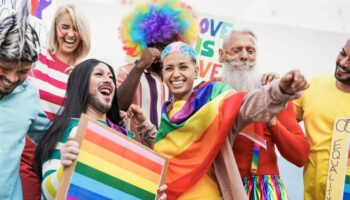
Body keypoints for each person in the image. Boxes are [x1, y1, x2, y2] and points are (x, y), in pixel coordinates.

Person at [152, 41, 309, 199]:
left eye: (183, 67)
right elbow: (172, 151)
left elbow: (248, 106)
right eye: (169, 68)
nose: (176, 74)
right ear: (163, 73)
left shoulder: (213, 100)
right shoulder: (166, 112)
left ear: (196, 71)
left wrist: (278, 92)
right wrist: (144, 126)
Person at [33, 59, 164, 200]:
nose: (108, 80)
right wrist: (64, 171)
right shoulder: (68, 130)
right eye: (98, 74)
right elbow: (48, 193)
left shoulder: (125, 137)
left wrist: (151, 195)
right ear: (81, 84)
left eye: (110, 76)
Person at [218, 30, 310, 199]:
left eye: (250, 50)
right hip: (221, 186)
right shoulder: (210, 93)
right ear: (222, 55)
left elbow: (300, 156)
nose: (244, 56)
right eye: (236, 50)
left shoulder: (273, 94)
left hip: (265, 190)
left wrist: (272, 121)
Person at [20, 4, 91, 199]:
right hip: (21, 149)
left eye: (76, 28)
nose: (70, 34)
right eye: (65, 27)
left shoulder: (84, 73)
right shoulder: (37, 57)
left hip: (53, 156)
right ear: (55, 28)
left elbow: (85, 118)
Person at [117, 0, 199, 132]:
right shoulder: (127, 72)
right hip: (131, 148)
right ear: (144, 43)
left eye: (165, 44)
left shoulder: (177, 78)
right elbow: (116, 110)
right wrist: (139, 67)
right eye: (154, 43)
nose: (158, 49)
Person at [0, 1, 50, 199]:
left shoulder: (29, 93)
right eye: (4, 67)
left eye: (22, 71)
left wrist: (69, 144)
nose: (12, 79)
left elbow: (48, 137)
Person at [294, 39, 350, 200]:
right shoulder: (314, 85)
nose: (344, 63)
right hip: (311, 194)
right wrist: (273, 88)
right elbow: (281, 119)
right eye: (342, 54)